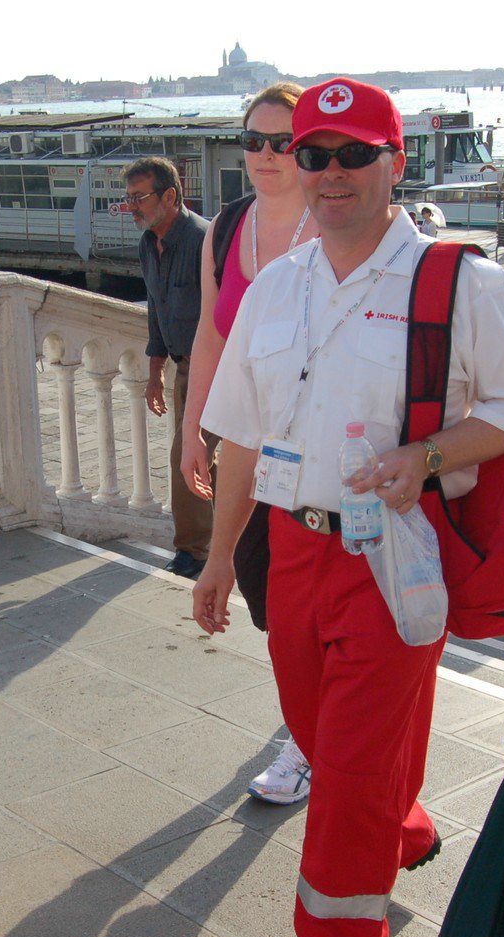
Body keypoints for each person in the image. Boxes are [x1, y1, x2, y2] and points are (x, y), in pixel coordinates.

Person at [193, 77, 504, 937]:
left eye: (355, 154)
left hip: (390, 552)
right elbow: (237, 436)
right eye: (314, 154)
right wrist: (220, 558)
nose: (332, 172)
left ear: (397, 164)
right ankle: (398, 829)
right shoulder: (274, 285)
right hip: (289, 550)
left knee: (345, 767)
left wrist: (424, 457)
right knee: (320, 733)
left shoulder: (455, 280)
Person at [177, 83, 322, 806]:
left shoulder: (332, 227)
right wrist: (192, 424)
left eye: (283, 141)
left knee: (298, 605)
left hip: (311, 455)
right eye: (255, 141)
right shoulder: (228, 227)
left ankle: (308, 741)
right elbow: (212, 331)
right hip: (244, 447)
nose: (266, 155)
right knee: (268, 597)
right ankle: (309, 724)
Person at [127, 156, 212, 579]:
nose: (132, 207)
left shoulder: (203, 240)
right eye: (128, 199)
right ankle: (208, 544)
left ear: (170, 196)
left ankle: (194, 551)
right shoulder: (148, 244)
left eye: (139, 198)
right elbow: (156, 311)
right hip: (183, 366)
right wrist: (154, 372)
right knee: (200, 457)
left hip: (214, 366)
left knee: (189, 454)